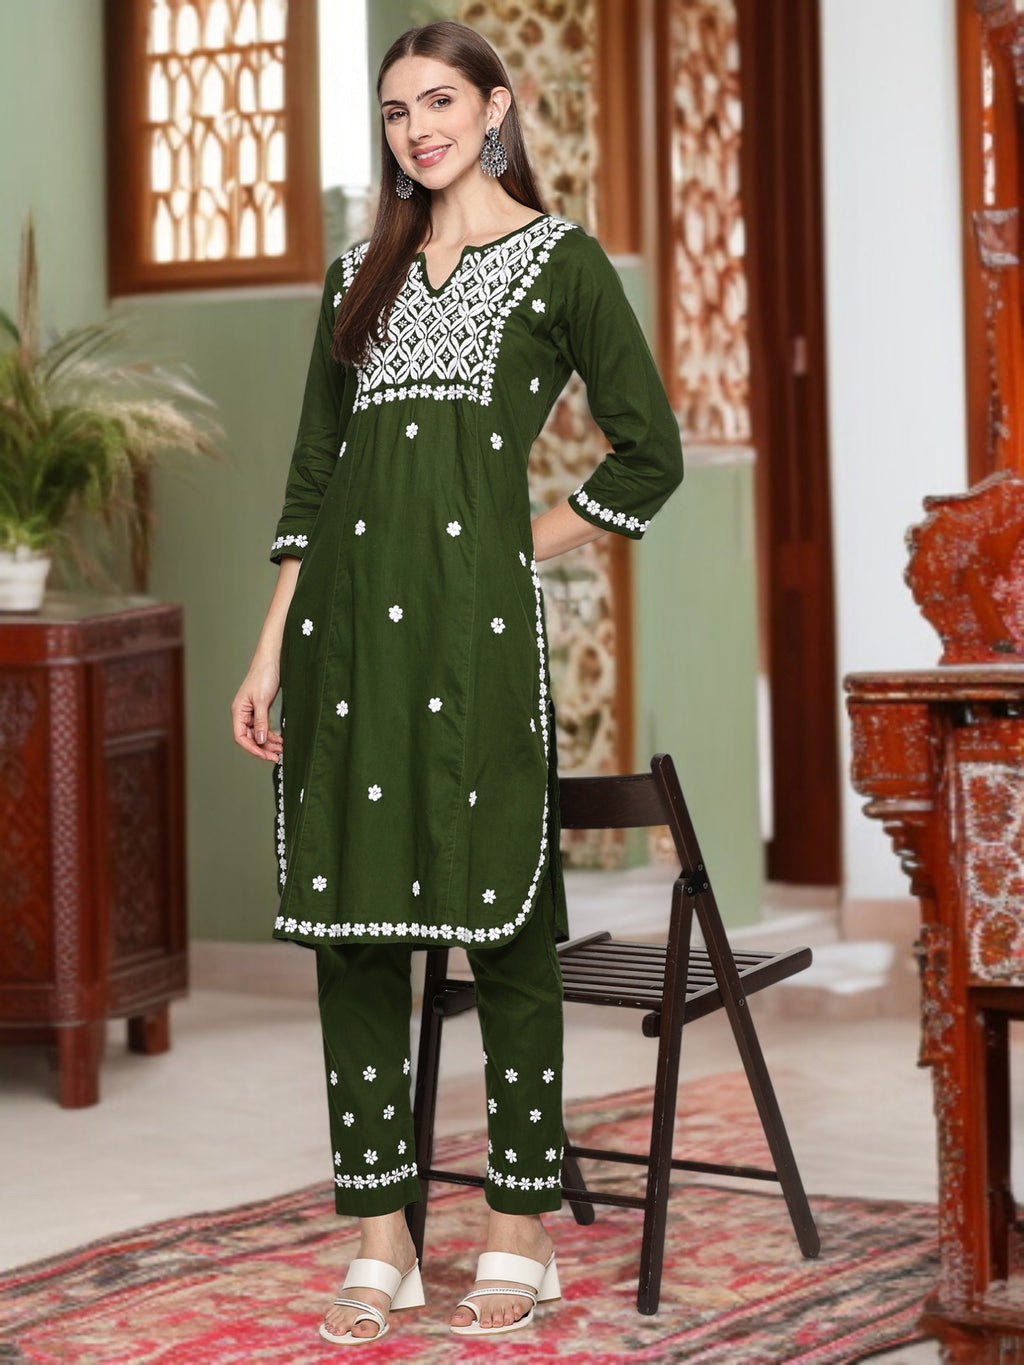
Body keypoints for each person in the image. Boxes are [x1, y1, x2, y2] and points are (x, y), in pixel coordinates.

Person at [231, 18, 683, 1346]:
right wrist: (269, 647)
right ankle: (382, 1237)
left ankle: (517, 1228)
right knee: (358, 927)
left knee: (507, 916)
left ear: (498, 105)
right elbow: (313, 480)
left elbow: (646, 446)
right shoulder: (356, 278)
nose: (417, 129)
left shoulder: (558, 263)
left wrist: (521, 541)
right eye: (394, 112)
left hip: (474, 640)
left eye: (439, 101)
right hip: (345, 644)